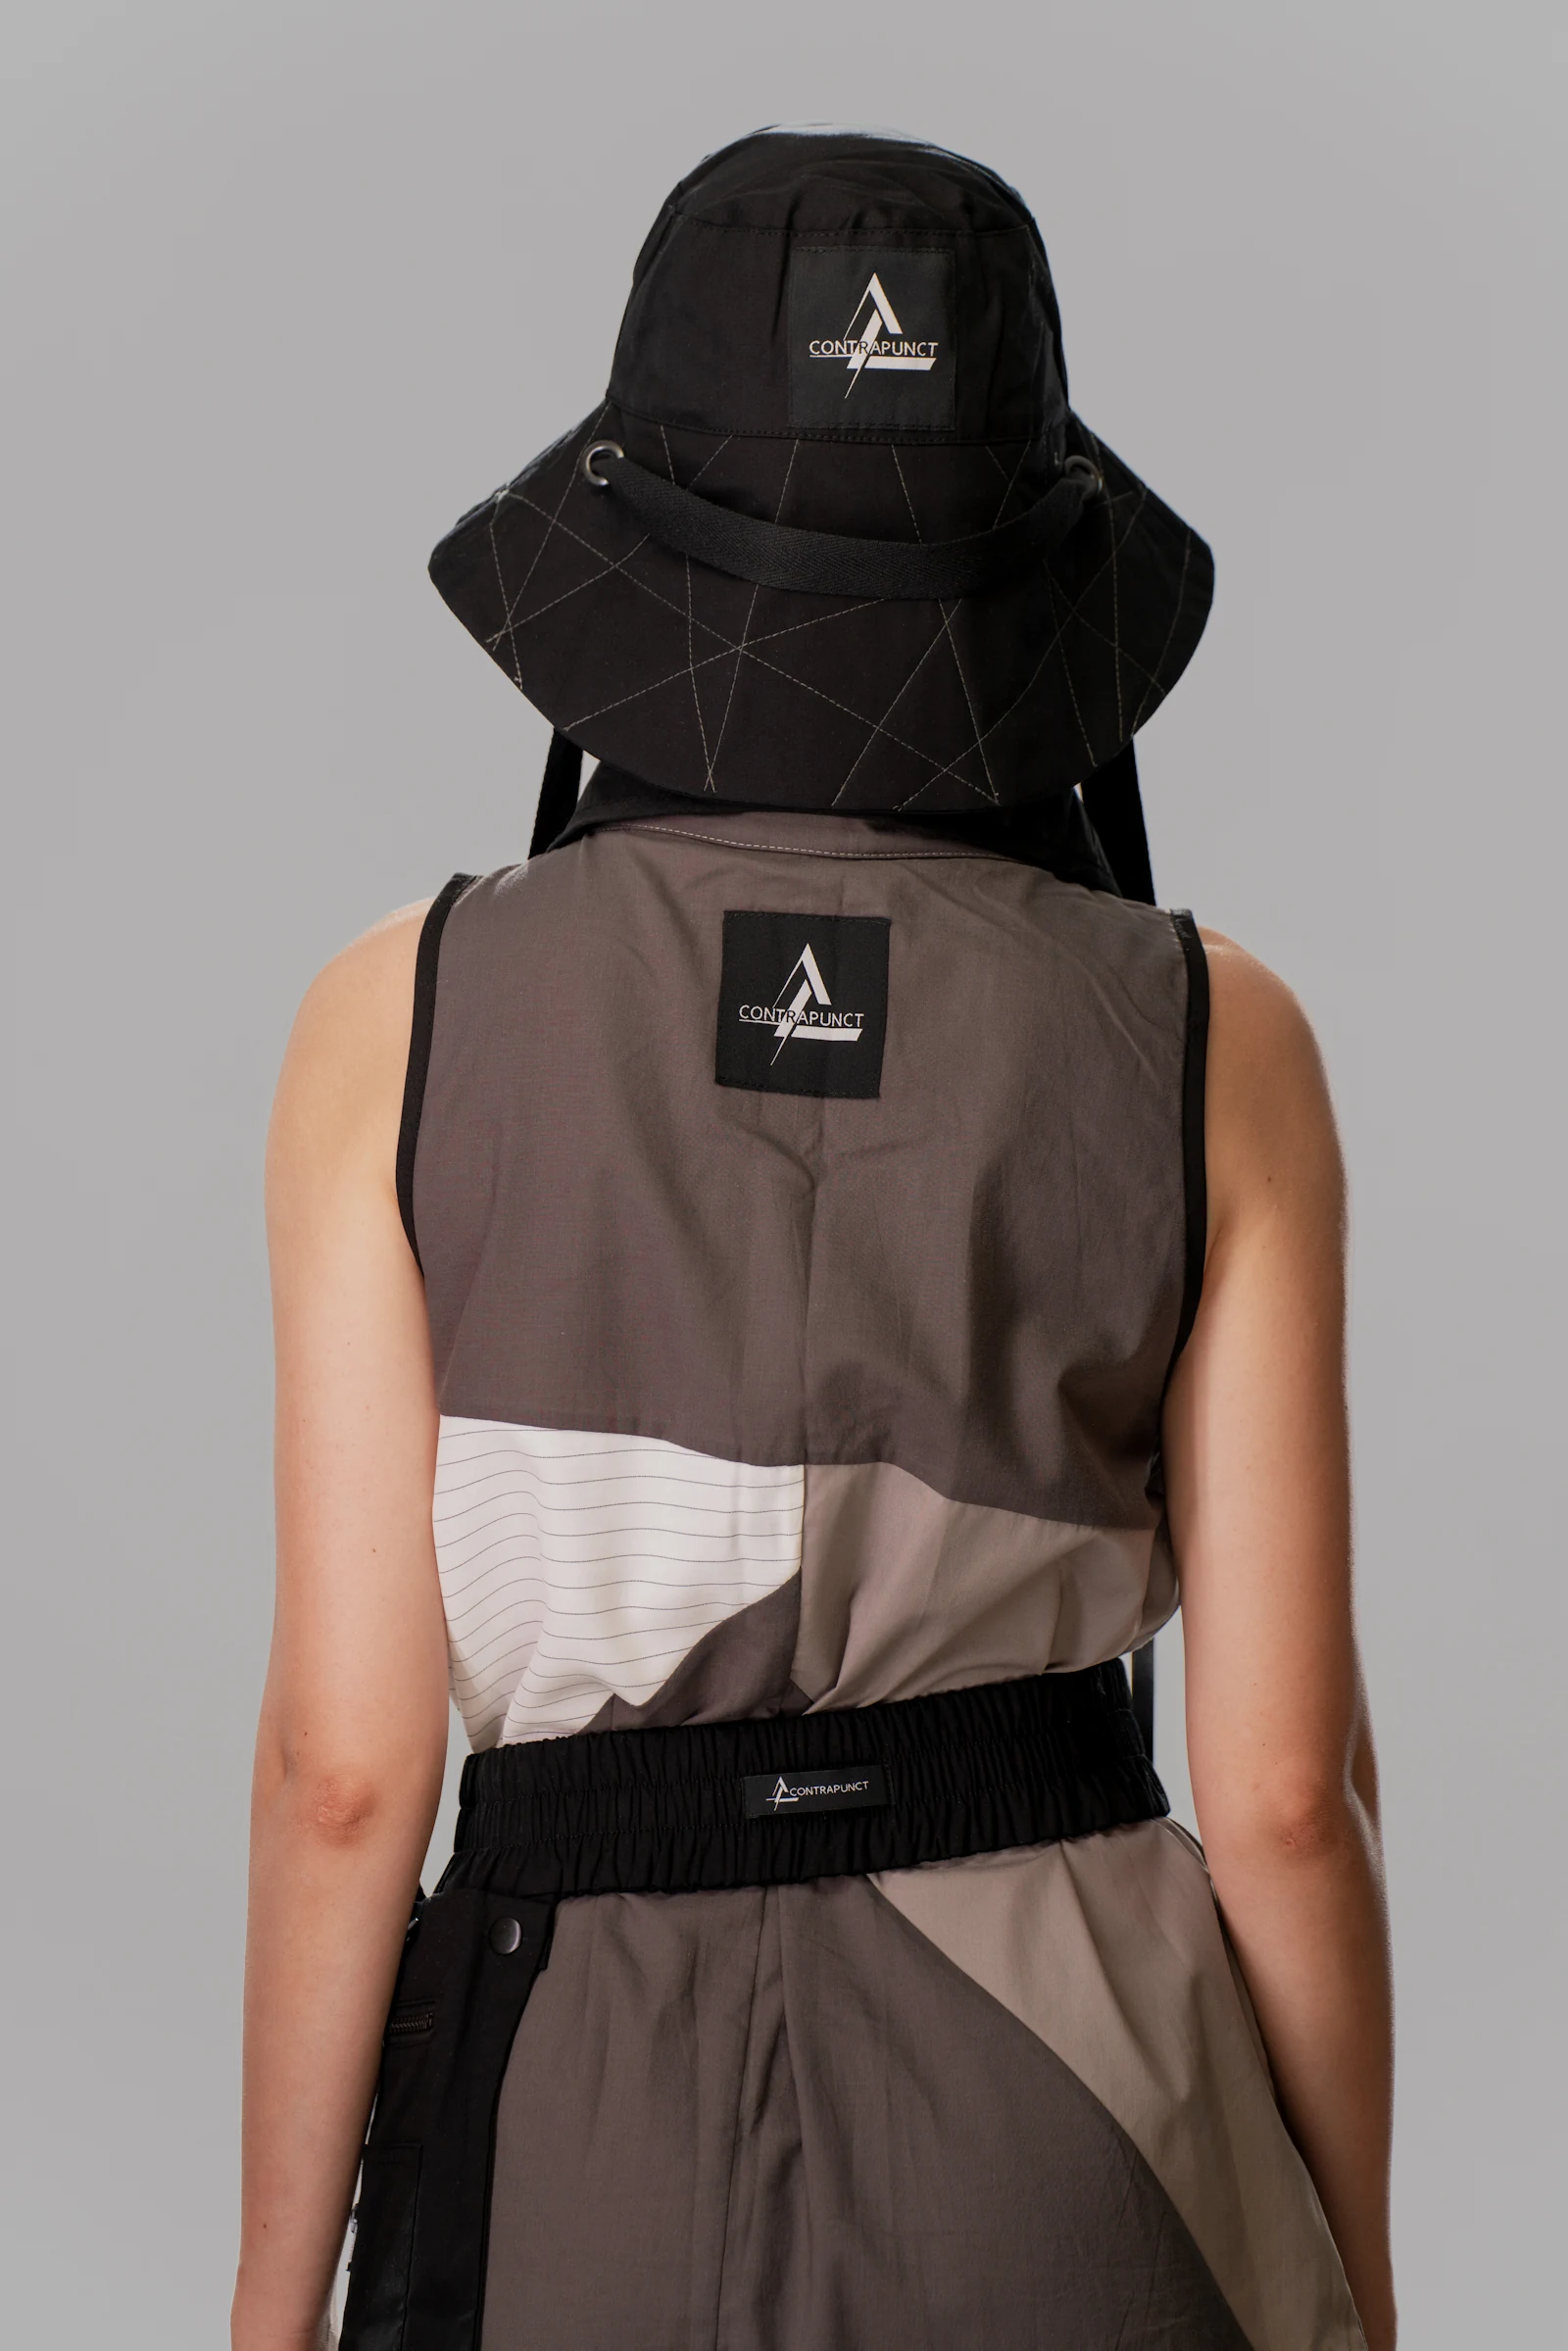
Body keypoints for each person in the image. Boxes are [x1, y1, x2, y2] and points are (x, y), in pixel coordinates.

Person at [231, 128, 1396, 2351]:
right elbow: (1280, 1794)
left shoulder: (397, 1018)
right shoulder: (1211, 1033)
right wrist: (1356, 2279)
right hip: (1090, 2128)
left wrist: (266, 2311)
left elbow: (346, 1776)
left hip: (567, 2128)